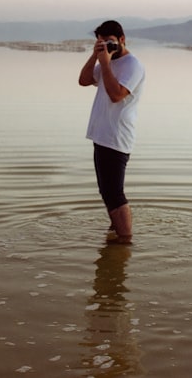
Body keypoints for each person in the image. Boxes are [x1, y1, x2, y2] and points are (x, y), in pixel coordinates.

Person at [78, 20, 145, 244]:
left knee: (115, 194)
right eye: (102, 42)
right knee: (106, 192)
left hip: (116, 137)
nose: (107, 47)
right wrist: (96, 55)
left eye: (110, 42)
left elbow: (117, 95)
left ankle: (125, 241)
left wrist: (105, 63)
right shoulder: (106, 59)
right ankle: (116, 232)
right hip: (101, 135)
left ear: (122, 40)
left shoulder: (133, 65)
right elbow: (84, 80)